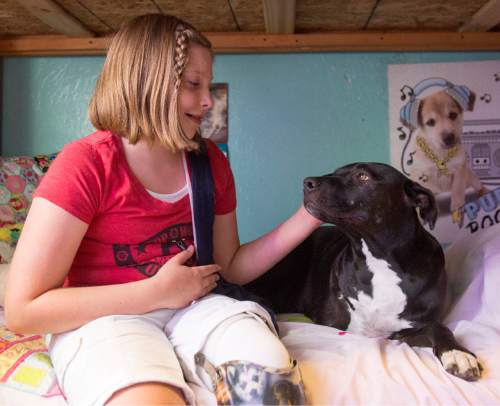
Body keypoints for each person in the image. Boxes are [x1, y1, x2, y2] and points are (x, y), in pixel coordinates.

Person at [4, 13, 322, 406]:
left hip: (195, 309)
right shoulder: (85, 165)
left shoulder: (210, 165)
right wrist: (153, 292)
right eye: (193, 84)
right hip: (104, 320)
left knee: (269, 382)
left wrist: (309, 215)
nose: (208, 100)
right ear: (147, 83)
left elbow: (231, 265)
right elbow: (23, 309)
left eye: (207, 85)